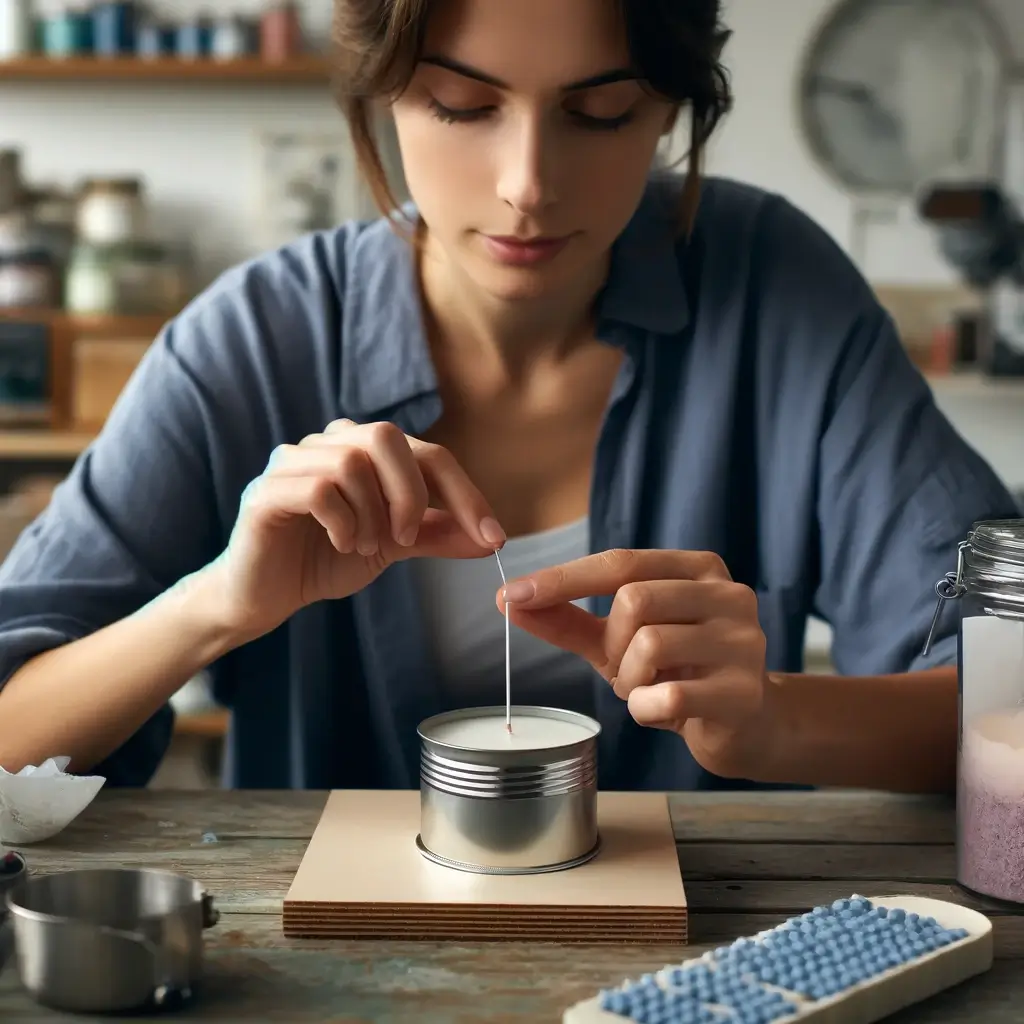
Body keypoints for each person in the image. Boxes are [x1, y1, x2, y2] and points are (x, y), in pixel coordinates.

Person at [0, 0, 1016, 796]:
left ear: (673, 106)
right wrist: (215, 605)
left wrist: (777, 719)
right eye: (462, 104)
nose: (528, 182)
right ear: (384, 93)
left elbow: (1007, 684)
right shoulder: (255, 340)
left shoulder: (777, 291)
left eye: (599, 112)